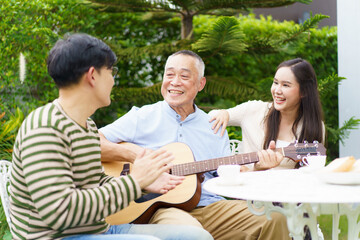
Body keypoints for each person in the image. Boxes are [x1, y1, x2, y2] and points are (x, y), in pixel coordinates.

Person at [9, 33, 214, 240]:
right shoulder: (45, 128)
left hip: (98, 230)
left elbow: (96, 182)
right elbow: (60, 212)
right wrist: (134, 182)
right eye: (111, 71)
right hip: (57, 236)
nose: (114, 80)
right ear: (92, 76)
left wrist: (143, 185)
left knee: (196, 236)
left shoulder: (86, 125)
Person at [99, 50, 291, 240]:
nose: (174, 82)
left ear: (201, 84)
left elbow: (229, 176)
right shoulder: (141, 116)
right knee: (194, 235)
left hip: (212, 206)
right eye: (170, 74)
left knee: (275, 217)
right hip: (166, 208)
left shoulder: (214, 125)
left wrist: (257, 168)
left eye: (184, 76)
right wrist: (136, 155)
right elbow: (92, 141)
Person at [209, 58, 325, 171]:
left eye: (286, 85)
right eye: (275, 83)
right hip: (243, 186)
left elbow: (309, 177)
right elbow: (210, 118)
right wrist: (224, 113)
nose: (277, 90)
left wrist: (261, 170)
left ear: (304, 92)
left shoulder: (312, 127)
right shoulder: (253, 110)